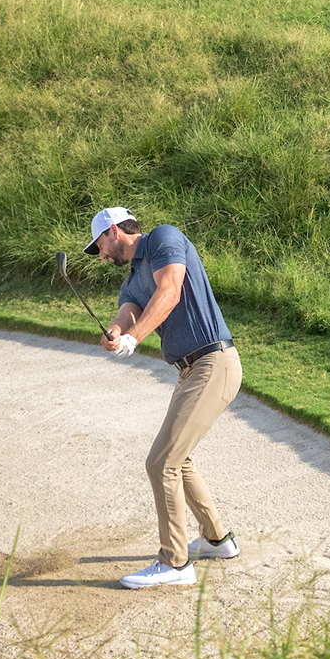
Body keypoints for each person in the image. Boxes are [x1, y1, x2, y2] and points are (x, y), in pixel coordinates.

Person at [87, 206, 244, 589]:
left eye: (99, 245)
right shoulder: (131, 281)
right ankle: (216, 540)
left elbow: (170, 291)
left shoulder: (163, 238)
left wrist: (134, 337)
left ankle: (175, 563)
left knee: (160, 463)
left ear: (114, 231)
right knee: (178, 459)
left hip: (213, 362)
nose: (101, 255)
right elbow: (128, 313)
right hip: (189, 371)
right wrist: (116, 332)